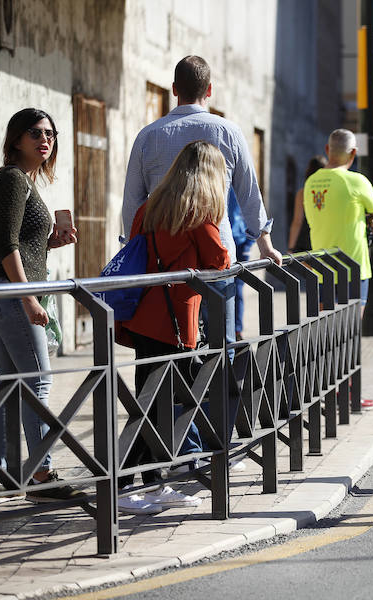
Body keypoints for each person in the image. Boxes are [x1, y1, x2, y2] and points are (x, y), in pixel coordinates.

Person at [122, 55, 282, 446]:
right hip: (216, 261)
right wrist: (266, 243)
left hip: (163, 267)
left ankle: (175, 443)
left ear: (174, 89)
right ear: (209, 91)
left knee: (167, 355)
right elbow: (249, 194)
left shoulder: (148, 135)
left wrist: (133, 252)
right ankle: (215, 443)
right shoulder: (226, 131)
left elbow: (132, 203)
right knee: (219, 351)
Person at [115, 141, 231, 514]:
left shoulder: (150, 206)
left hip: (145, 316)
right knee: (154, 406)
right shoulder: (198, 212)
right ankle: (120, 486)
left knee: (151, 400)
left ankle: (153, 483)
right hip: (176, 322)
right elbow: (220, 259)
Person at [0, 108, 82, 503]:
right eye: (34, 132)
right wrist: (29, 297)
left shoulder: (24, 182)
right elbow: (4, 244)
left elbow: (18, 244)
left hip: (6, 294)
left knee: (10, 387)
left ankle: (2, 471)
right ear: (15, 139)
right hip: (12, 296)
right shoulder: (13, 179)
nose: (44, 139)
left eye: (50, 133)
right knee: (37, 381)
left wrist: (49, 243)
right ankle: (42, 475)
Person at [301, 129, 373, 314]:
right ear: (353, 152)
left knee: (326, 332)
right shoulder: (357, 181)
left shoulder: (310, 183)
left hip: (322, 268)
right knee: (350, 334)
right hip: (352, 268)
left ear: (327, 149)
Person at [287, 155, 327, 253]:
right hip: (325, 239)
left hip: (305, 242)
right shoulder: (330, 192)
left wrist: (291, 248)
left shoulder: (303, 193)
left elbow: (297, 221)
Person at [228, 188, 254, 341]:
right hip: (218, 240)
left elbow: (251, 208)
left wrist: (248, 244)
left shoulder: (237, 179)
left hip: (239, 242)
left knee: (237, 288)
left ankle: (236, 330)